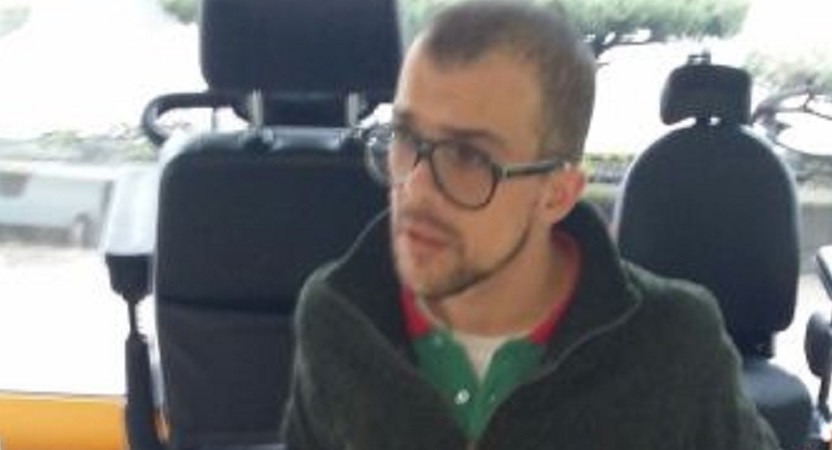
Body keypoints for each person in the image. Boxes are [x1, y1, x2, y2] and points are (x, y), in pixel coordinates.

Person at [282, 1, 779, 449]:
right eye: (405, 137)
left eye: (468, 156)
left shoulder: (673, 345)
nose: (414, 188)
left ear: (556, 194)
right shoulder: (336, 317)